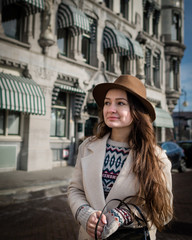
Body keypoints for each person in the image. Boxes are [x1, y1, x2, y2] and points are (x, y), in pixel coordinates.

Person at [67, 75, 173, 240]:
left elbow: (163, 212)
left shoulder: (156, 157)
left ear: (136, 111)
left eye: (120, 103)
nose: (110, 109)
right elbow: (75, 189)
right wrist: (84, 213)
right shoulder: (87, 147)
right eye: (107, 102)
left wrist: (124, 215)